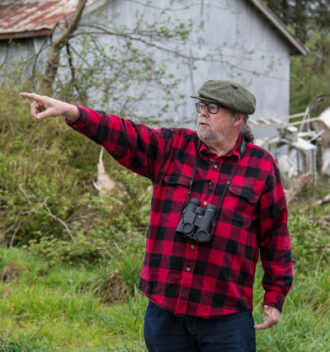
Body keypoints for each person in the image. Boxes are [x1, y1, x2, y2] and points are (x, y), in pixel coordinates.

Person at [21, 80, 293, 352]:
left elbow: (275, 236)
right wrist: (72, 112)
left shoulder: (261, 167)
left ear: (238, 118)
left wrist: (275, 295)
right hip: (166, 312)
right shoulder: (173, 148)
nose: (202, 113)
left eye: (213, 109)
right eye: (201, 106)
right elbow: (123, 133)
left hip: (225, 315)